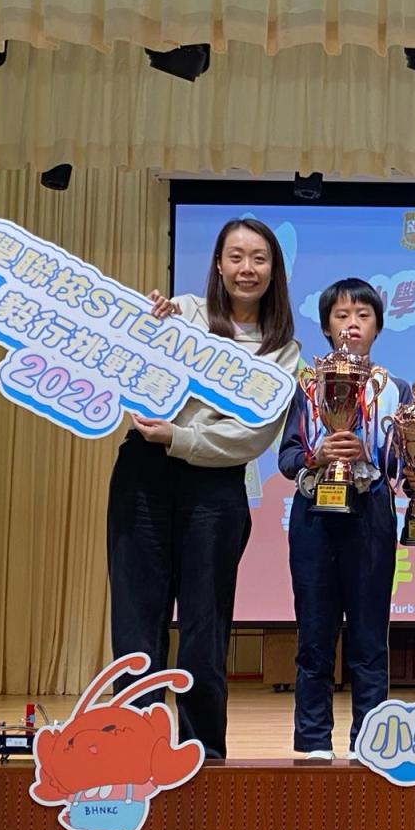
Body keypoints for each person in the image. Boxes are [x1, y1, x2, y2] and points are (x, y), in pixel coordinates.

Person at [108, 217, 300, 759]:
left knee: (204, 629)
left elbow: (251, 436)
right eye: (236, 256)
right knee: (136, 624)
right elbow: (133, 368)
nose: (247, 268)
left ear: (274, 270)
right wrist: (144, 325)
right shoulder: (183, 313)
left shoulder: (283, 350)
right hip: (144, 473)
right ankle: (134, 752)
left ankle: (203, 754)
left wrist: (183, 436)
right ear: (218, 264)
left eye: (259, 258)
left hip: (214, 488)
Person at [277, 278, 411, 760]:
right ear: (326, 327)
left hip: (370, 511)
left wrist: (369, 452)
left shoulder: (393, 390)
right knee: (314, 633)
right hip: (314, 512)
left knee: (370, 636)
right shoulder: (306, 385)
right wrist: (317, 455)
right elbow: (286, 457)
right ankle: (313, 739)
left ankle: (369, 740)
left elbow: (402, 465)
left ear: (377, 326)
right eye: (341, 315)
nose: (352, 325)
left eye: (362, 316)